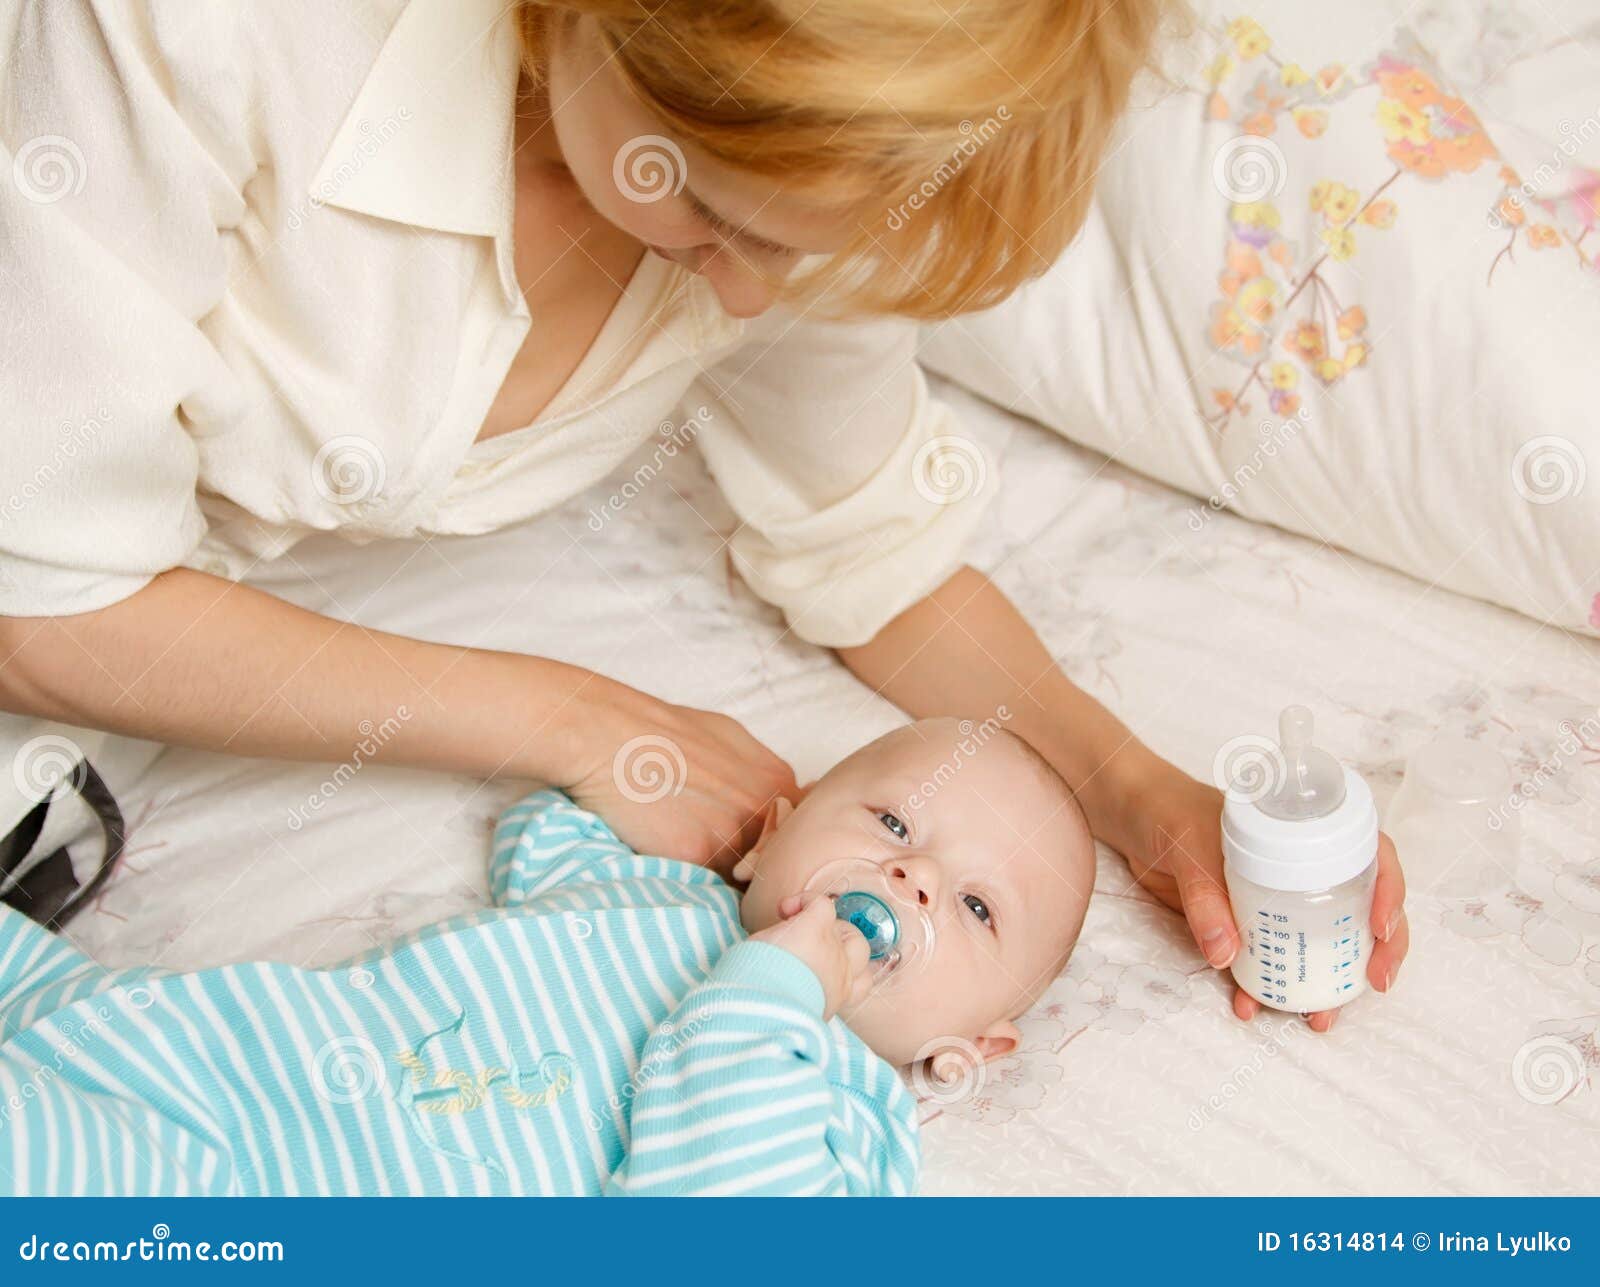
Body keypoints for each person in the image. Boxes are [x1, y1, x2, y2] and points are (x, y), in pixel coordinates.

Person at [0, 0, 1405, 1029]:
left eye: (812, 253)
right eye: (721, 222)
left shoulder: (821, 192)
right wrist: (576, 720)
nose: (745, 305)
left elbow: (868, 546)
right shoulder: (196, 39)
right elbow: (37, 594)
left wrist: (1138, 790)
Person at [0, 720, 1091, 1196]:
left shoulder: (846, 1123)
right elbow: (545, 828)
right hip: (199, 1045)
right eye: (894, 826)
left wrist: (783, 987)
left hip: (247, 1196)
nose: (911, 881)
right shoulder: (649, 887)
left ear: (968, 1049)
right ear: (771, 832)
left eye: (978, 907)